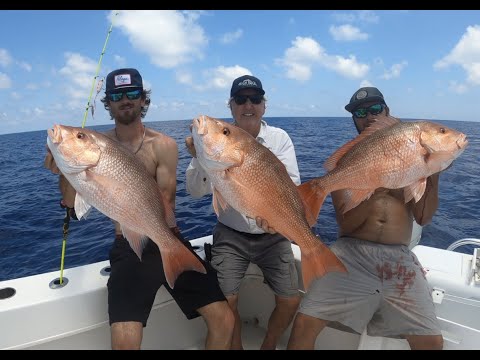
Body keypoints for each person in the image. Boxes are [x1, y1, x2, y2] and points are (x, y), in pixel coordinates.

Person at [44, 68, 234, 350]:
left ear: (143, 99)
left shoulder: (165, 145)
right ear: (107, 103)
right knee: (124, 340)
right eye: (117, 95)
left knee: (225, 320)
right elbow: (73, 204)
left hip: (168, 236)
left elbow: (167, 201)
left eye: (132, 93)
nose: (125, 100)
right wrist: (63, 172)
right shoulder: (96, 147)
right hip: (128, 245)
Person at [287, 87, 444, 350]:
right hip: (351, 250)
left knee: (431, 341)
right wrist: (373, 185)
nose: (369, 117)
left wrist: (433, 173)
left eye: (375, 109)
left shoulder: (413, 154)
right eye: (360, 112)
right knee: (303, 325)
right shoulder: (347, 162)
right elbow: (347, 226)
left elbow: (423, 216)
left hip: (398, 255)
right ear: (353, 119)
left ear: (387, 112)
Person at [185, 75, 301, 350]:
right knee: (226, 301)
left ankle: (268, 345)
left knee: (291, 300)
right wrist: (199, 157)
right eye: (241, 99)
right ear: (231, 105)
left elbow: (292, 187)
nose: (248, 105)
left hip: (274, 235)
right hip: (230, 234)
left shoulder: (279, 138)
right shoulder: (214, 146)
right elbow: (194, 191)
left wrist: (276, 218)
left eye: (255, 99)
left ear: (264, 105)